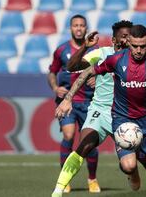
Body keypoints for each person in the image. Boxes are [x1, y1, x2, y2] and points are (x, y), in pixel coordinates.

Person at [54, 24, 146, 197]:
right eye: (130, 42)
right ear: (121, 41)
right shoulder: (109, 56)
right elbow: (78, 69)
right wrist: (68, 98)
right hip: (112, 114)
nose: (136, 48)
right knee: (92, 149)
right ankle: (59, 190)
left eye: (140, 45)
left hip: (141, 117)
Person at [51, 20, 133, 197]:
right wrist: (84, 48)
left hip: (124, 114)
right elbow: (72, 67)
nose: (128, 40)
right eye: (124, 36)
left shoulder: (138, 59)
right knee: (84, 145)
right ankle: (58, 190)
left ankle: (133, 173)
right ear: (114, 40)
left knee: (129, 166)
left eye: (130, 36)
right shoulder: (101, 53)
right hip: (100, 111)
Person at [47, 14, 100, 193]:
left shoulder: (95, 50)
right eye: (75, 25)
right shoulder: (61, 50)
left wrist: (98, 79)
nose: (78, 28)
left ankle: (92, 179)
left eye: (82, 25)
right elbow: (52, 72)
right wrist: (55, 88)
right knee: (69, 135)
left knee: (88, 141)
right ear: (70, 28)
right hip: (67, 102)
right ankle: (65, 179)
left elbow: (105, 70)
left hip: (89, 101)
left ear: (86, 29)